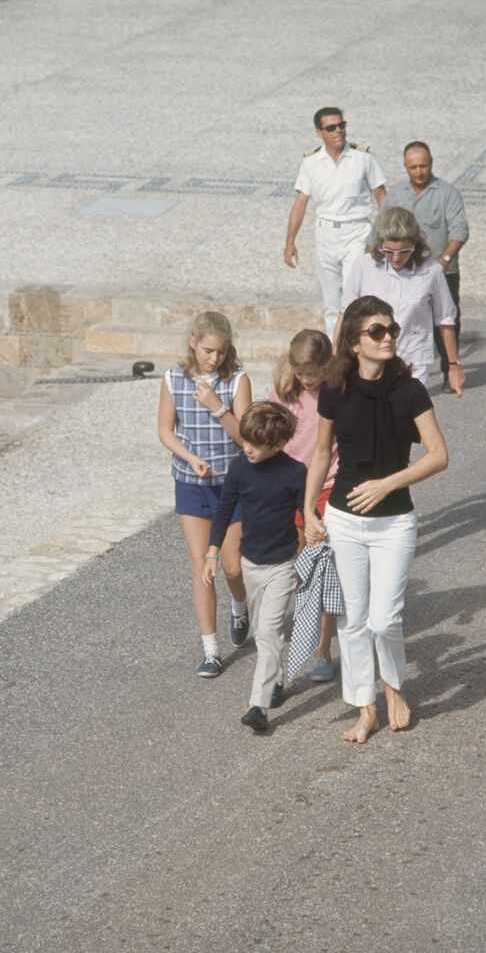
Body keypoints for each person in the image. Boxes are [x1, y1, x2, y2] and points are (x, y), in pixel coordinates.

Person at [304, 296, 449, 743]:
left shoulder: (410, 390)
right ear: (353, 342)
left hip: (394, 523)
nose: (388, 338)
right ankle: (365, 708)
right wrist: (310, 510)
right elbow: (322, 451)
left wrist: (388, 484)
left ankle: (393, 688)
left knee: (385, 620)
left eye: (392, 331)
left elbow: (439, 456)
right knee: (354, 620)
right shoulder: (334, 389)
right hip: (343, 520)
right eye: (376, 332)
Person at [157, 311, 251, 677]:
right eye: (209, 350)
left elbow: (246, 438)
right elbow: (166, 431)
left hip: (233, 486)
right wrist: (190, 458)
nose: (215, 359)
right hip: (191, 484)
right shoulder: (172, 378)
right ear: (193, 343)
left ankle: (240, 606)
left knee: (232, 566)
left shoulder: (237, 381)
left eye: (222, 352)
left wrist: (217, 406)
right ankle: (211, 650)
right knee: (201, 566)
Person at [202, 402, 306, 733]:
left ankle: (257, 707)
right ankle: (275, 679)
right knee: (264, 628)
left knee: (267, 633)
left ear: (278, 445)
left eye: (255, 445)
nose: (247, 448)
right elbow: (224, 509)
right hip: (250, 563)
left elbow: (307, 516)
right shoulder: (239, 468)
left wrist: (312, 548)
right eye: (245, 441)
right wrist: (213, 552)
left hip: (282, 566)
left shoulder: (295, 472)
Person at [269, 329, 339, 682]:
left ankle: (323, 648)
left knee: (322, 570)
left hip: (328, 485)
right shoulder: (285, 389)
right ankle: (289, 638)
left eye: (314, 373)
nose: (308, 379)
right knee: (292, 569)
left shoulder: (337, 389)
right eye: (302, 373)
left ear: (328, 364)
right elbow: (271, 435)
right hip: (291, 486)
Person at [371, 141, 469, 390]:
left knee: (446, 321)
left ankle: (450, 369)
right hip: (405, 270)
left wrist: (445, 259)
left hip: (441, 270)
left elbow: (459, 230)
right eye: (413, 167)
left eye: (423, 166)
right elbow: (378, 228)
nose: (418, 172)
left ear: (431, 164)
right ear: (405, 167)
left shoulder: (447, 193)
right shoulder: (395, 193)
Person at [335, 206, 465, 392]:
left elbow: (445, 320)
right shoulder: (364, 265)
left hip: (412, 364)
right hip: (368, 363)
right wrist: (336, 357)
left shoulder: (432, 271)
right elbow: (345, 313)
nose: (396, 259)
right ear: (379, 243)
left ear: (415, 244)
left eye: (404, 251)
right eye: (388, 251)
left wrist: (454, 365)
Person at [284, 106, 386, 336]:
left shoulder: (363, 157)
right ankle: (335, 353)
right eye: (331, 128)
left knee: (355, 298)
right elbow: (300, 203)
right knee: (331, 304)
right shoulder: (311, 163)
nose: (338, 131)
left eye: (341, 125)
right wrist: (290, 242)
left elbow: (382, 197)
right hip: (325, 235)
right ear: (320, 132)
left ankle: (357, 350)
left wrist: (382, 236)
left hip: (357, 232)